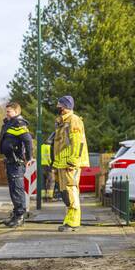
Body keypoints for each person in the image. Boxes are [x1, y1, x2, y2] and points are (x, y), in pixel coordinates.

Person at [51, 96, 89, 231]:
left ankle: (73, 222)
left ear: (66, 106)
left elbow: (78, 142)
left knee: (71, 190)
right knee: (65, 192)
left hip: (69, 162)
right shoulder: (62, 121)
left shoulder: (74, 120)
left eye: (60, 105)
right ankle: (69, 219)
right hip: (62, 162)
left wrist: (73, 160)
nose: (58, 107)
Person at [0, 101, 35, 228]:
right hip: (10, 161)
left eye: (9, 111)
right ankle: (15, 215)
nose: (6, 113)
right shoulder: (10, 124)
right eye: (6, 111)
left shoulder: (19, 124)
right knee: (13, 190)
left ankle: (20, 217)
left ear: (16, 112)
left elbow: (28, 140)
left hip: (16, 163)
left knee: (17, 190)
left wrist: (29, 157)